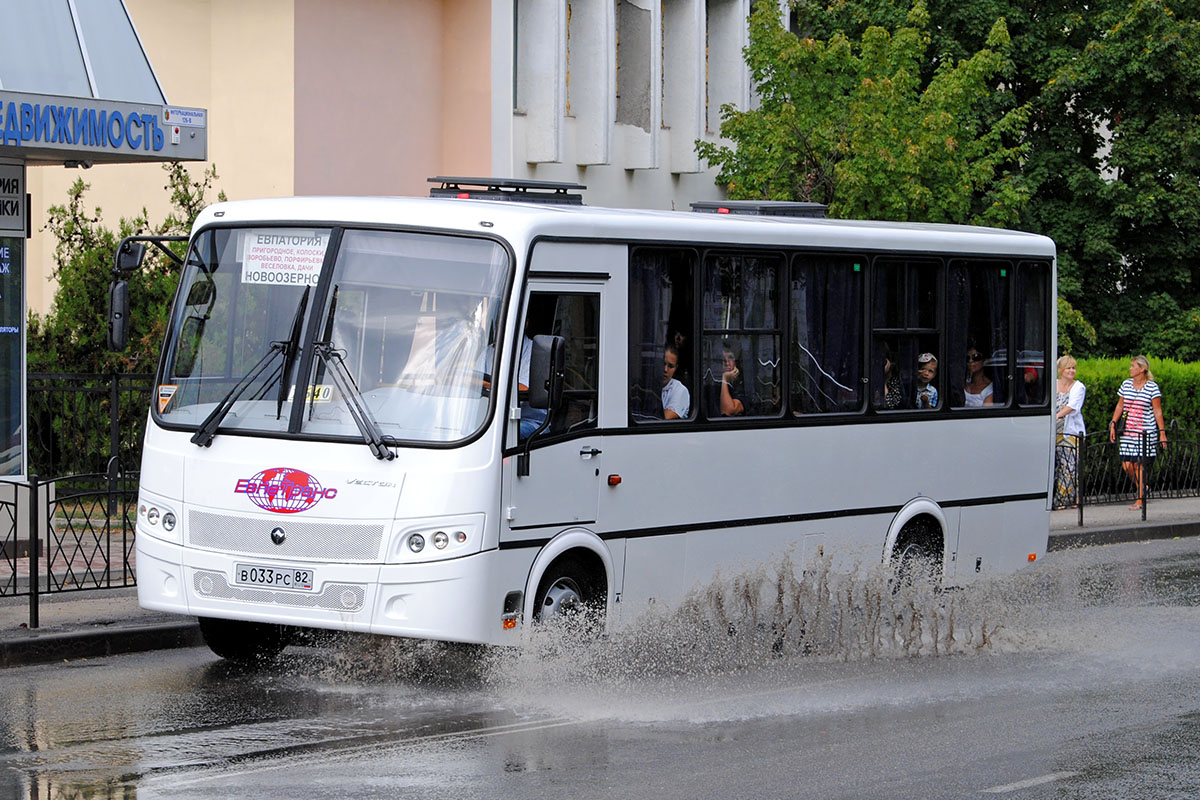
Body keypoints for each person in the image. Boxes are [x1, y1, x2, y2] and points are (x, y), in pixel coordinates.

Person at [1109, 355, 1167, 510]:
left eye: (1133, 365)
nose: (1130, 368)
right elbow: (1120, 405)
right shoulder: (1126, 384)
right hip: (1128, 431)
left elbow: (1157, 411)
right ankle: (1143, 487)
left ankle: (1140, 499)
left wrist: (1162, 433)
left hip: (1144, 432)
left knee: (1139, 465)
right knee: (1127, 465)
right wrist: (1113, 423)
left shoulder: (1152, 387)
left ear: (1142, 369)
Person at [1053, 355, 1086, 508]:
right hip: (1054, 431)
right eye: (1069, 368)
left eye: (1073, 368)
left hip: (1070, 431)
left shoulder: (1078, 387)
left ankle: (1063, 500)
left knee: (1069, 466)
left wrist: (1058, 415)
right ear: (1060, 370)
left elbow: (1073, 406)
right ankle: (1066, 498)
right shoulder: (1054, 384)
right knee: (1056, 466)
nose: (1072, 371)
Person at [661, 344, 690, 420]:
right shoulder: (648, 386)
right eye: (662, 364)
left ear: (676, 368)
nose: (665, 370)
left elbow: (663, 418)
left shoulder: (680, 390)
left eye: (670, 366)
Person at [716, 344, 745, 416]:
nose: (727, 362)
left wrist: (725, 379)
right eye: (722, 358)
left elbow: (729, 410)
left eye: (730, 358)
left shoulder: (742, 388)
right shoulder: (713, 387)